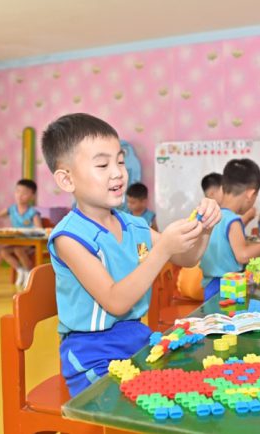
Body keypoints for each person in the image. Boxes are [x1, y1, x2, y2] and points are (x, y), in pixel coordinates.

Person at [41, 113, 221, 396]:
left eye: (121, 161)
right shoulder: (69, 237)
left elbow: (188, 259)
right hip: (91, 353)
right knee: (139, 405)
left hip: (136, 339)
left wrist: (205, 228)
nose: (118, 173)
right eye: (103, 165)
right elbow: (115, 302)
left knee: (193, 384)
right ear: (66, 179)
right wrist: (162, 249)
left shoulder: (134, 225)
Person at [200, 159, 260, 300]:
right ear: (250, 194)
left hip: (210, 285)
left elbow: (225, 240)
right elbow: (243, 255)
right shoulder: (233, 221)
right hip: (229, 286)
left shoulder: (213, 215)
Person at [0, 179, 42, 289]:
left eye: (25, 193)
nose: (20, 195)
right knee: (3, 251)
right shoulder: (12, 209)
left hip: (30, 243)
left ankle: (28, 272)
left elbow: (40, 230)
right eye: (18, 191)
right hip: (16, 242)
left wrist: (31, 231)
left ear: (32, 196)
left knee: (18, 250)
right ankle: (20, 270)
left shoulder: (33, 213)